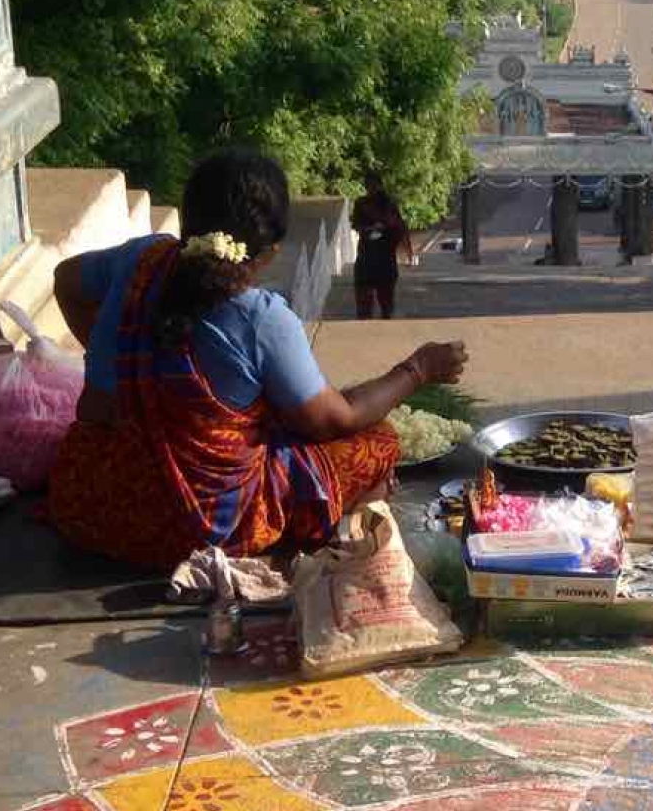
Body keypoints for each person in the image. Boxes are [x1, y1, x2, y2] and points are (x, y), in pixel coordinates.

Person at [46, 148, 470, 571]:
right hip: (191, 528)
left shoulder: (140, 258)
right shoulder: (259, 315)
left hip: (92, 501)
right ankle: (343, 553)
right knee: (375, 443)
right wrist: (419, 369)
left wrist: (120, 362)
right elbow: (335, 420)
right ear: (270, 251)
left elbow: (66, 280)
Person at [351, 171, 413, 320]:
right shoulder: (361, 203)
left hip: (383, 257)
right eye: (368, 185)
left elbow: (399, 227)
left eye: (373, 185)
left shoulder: (389, 204)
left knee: (386, 302)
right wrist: (371, 229)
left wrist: (384, 229)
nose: (370, 188)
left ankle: (382, 326)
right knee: (366, 301)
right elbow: (357, 225)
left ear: (379, 185)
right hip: (368, 256)